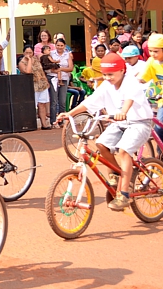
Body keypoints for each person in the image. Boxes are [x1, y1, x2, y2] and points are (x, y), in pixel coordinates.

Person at [58, 53, 154, 211]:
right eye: (105, 74)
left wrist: (123, 112)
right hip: (119, 123)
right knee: (101, 144)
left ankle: (124, 193)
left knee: (123, 151)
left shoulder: (131, 82)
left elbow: (129, 100)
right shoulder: (106, 86)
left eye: (111, 74)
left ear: (122, 70)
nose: (108, 78)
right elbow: (89, 102)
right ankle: (118, 173)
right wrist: (70, 114)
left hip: (140, 122)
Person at [18, 45, 51, 129]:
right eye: (27, 52)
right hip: (32, 86)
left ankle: (44, 124)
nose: (29, 54)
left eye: (30, 52)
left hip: (42, 84)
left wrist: (46, 81)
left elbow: (41, 71)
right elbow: (28, 71)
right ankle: (31, 124)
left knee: (42, 104)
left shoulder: (36, 59)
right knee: (32, 106)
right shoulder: (22, 63)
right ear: (23, 53)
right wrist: (28, 60)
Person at [51, 38, 74, 115]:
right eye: (58, 45)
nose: (59, 47)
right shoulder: (51, 54)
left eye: (61, 45)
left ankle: (61, 120)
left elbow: (71, 68)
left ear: (64, 46)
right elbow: (48, 67)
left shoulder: (67, 55)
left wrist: (60, 69)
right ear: (55, 45)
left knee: (62, 101)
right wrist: (57, 71)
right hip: (53, 79)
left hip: (64, 79)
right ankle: (53, 120)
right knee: (54, 101)